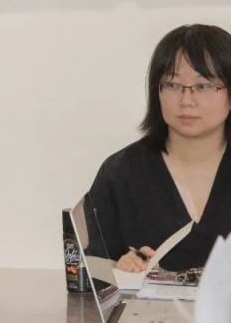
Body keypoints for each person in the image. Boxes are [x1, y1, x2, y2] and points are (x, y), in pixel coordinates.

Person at [88, 24, 231, 272]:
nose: (186, 101)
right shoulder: (121, 173)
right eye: (173, 85)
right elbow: (91, 270)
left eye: (203, 86)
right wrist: (120, 268)